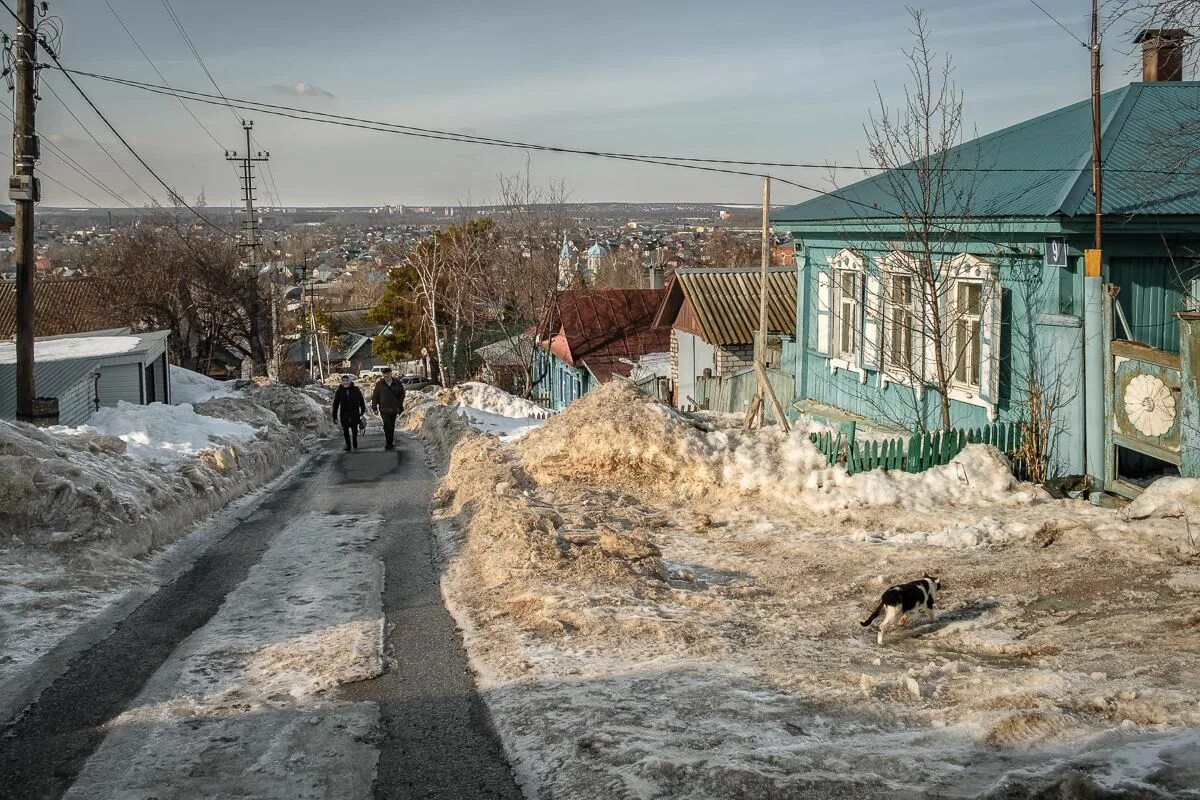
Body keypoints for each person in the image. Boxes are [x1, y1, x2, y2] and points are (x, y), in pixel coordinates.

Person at [370, 366, 406, 450]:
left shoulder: (397, 383)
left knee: (392, 425)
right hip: (384, 408)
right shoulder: (379, 384)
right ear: (383, 375)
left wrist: (398, 404)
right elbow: (375, 396)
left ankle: (390, 441)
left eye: (388, 373)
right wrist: (374, 408)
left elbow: (402, 394)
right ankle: (388, 443)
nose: (386, 375)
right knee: (387, 425)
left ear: (391, 373)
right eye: (385, 374)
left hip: (394, 408)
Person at [332, 374, 367, 452]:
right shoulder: (339, 391)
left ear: (350, 381)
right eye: (343, 381)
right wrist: (334, 416)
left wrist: (363, 410)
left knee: (354, 429)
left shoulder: (356, 390)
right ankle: (348, 445)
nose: (345, 382)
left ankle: (354, 442)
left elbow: (361, 400)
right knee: (345, 430)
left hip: (354, 413)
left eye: (347, 381)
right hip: (344, 414)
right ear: (341, 382)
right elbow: (336, 404)